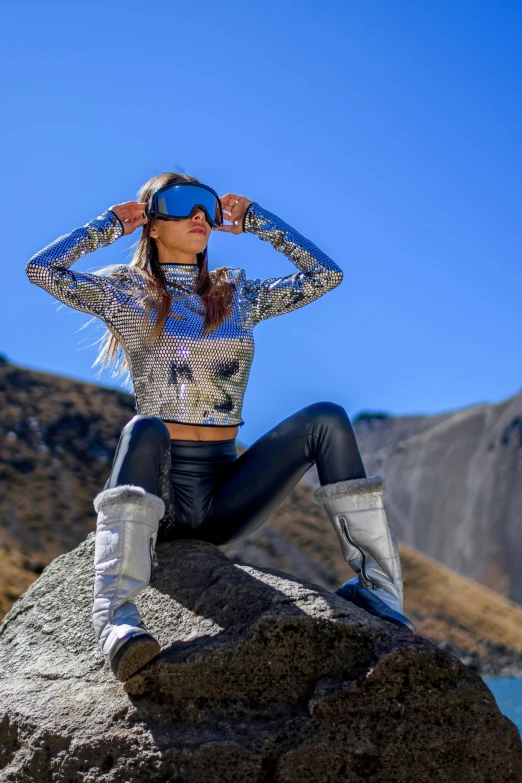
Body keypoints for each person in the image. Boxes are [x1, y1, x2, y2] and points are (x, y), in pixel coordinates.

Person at [26, 171, 415, 683]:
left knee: (327, 418)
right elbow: (42, 269)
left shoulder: (237, 294)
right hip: (157, 498)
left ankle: (378, 590)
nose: (199, 218)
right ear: (149, 222)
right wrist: (106, 226)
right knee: (144, 427)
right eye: (182, 204)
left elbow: (324, 276)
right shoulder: (124, 293)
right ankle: (115, 618)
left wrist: (259, 222)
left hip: (224, 496)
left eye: (207, 208)